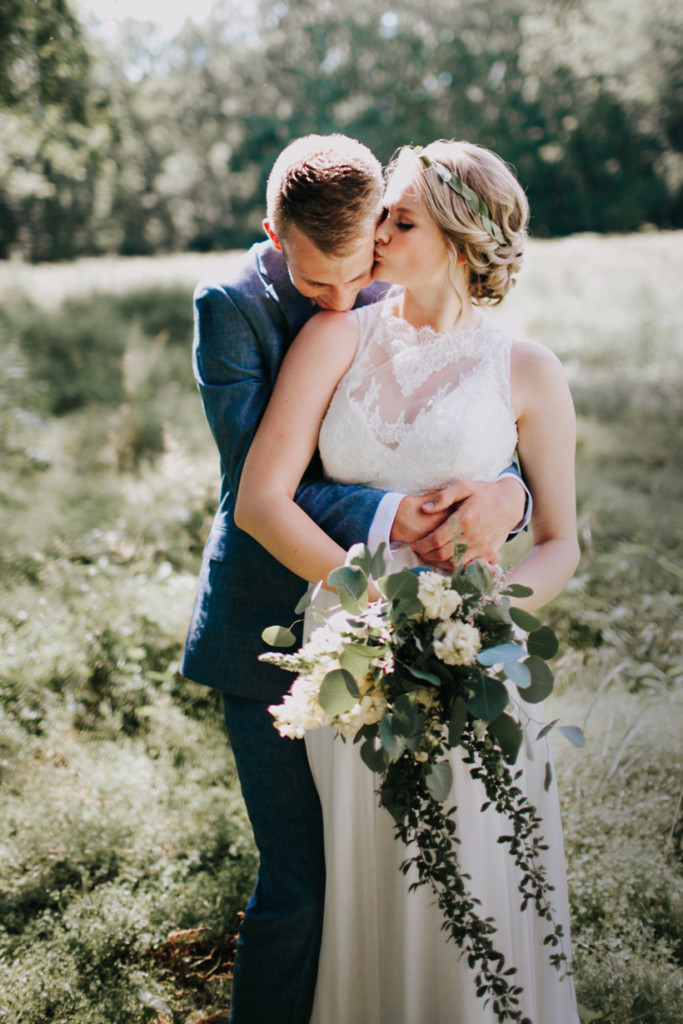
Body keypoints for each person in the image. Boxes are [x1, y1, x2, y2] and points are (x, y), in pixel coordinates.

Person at [181, 134, 530, 1024]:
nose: (342, 300)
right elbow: (265, 488)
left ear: (379, 226)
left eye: (356, 276)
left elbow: (475, 422)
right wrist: (388, 535)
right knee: (300, 886)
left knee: (390, 873)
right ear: (272, 233)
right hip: (270, 622)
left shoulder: (389, 269)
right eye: (314, 286)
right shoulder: (230, 309)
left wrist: (505, 495)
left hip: (405, 630)